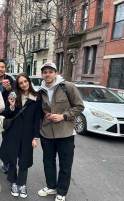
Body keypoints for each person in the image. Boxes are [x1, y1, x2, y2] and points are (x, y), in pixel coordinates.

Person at [37, 62, 84, 201]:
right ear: (42, 75)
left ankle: (62, 192)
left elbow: (79, 106)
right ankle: (51, 186)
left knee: (65, 164)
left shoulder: (67, 87)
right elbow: (38, 112)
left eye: (50, 71)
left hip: (66, 133)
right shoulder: (40, 91)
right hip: (47, 133)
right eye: (45, 72)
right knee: (48, 162)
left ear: (56, 73)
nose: (47, 74)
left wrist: (63, 116)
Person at [0, 73, 41, 198]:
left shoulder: (36, 98)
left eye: (25, 81)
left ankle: (22, 184)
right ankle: (13, 182)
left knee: (24, 161)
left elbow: (37, 119)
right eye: (21, 83)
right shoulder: (14, 96)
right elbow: (5, 114)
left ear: (29, 81)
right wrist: (11, 106)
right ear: (18, 85)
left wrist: (35, 137)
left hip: (27, 135)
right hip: (13, 133)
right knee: (12, 160)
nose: (24, 84)